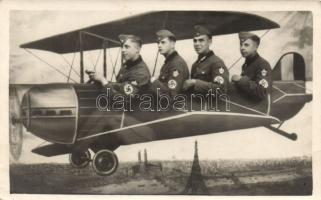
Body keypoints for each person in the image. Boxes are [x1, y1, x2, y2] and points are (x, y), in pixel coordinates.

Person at [183, 25, 229, 95]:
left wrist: (195, 82)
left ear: (209, 42)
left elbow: (221, 89)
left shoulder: (216, 62)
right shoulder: (195, 64)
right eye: (195, 41)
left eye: (201, 40)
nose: (197, 44)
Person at [231, 32, 272, 101]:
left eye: (246, 45)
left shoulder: (263, 64)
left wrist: (241, 80)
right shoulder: (246, 64)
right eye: (241, 45)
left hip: (259, 108)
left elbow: (262, 92)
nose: (242, 48)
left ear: (255, 47)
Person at [150, 29, 189, 97]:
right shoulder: (169, 62)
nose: (159, 45)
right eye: (158, 43)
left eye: (163, 42)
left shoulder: (177, 63)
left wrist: (154, 82)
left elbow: (171, 94)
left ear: (172, 44)